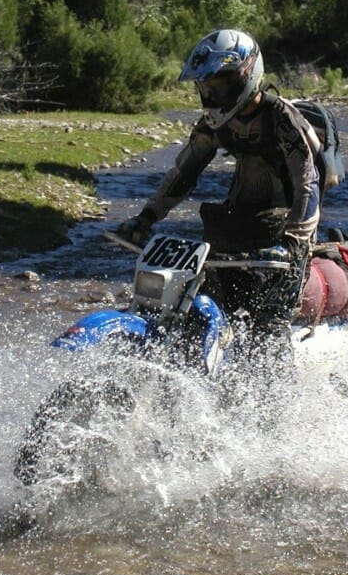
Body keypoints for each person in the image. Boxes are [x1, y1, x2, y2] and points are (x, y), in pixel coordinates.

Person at [116, 29, 321, 373]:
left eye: (219, 86)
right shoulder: (214, 124)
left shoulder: (282, 119)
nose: (212, 95)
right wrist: (146, 217)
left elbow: (308, 184)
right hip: (236, 225)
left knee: (267, 330)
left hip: (286, 237)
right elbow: (183, 172)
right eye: (206, 88)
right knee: (189, 309)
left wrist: (293, 240)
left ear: (246, 74)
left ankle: (276, 414)